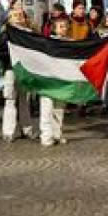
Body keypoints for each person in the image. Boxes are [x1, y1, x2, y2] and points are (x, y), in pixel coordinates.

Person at [0, 9, 36, 142]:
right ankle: (8, 131)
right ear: (9, 19)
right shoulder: (5, 34)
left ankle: (27, 129)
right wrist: (12, 56)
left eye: (21, 15)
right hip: (11, 70)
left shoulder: (29, 34)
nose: (19, 17)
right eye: (15, 15)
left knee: (25, 100)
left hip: (25, 71)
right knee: (10, 99)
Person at [39, 13, 72, 146]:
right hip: (47, 80)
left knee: (59, 109)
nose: (63, 29)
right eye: (61, 26)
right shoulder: (46, 43)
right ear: (54, 28)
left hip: (61, 80)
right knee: (46, 109)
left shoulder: (69, 43)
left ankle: (57, 134)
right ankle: (46, 136)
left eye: (65, 26)